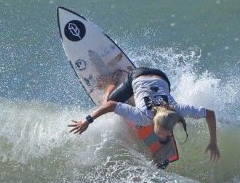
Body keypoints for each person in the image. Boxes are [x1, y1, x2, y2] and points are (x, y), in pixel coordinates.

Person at [68, 67, 220, 161]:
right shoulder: (143, 117)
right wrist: (87, 121)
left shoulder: (177, 110)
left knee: (151, 96)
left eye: (163, 135)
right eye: (160, 134)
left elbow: (210, 114)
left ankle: (137, 96)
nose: (161, 136)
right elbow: (110, 105)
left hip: (161, 76)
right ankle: (112, 82)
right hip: (136, 75)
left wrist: (213, 142)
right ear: (153, 122)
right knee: (106, 101)